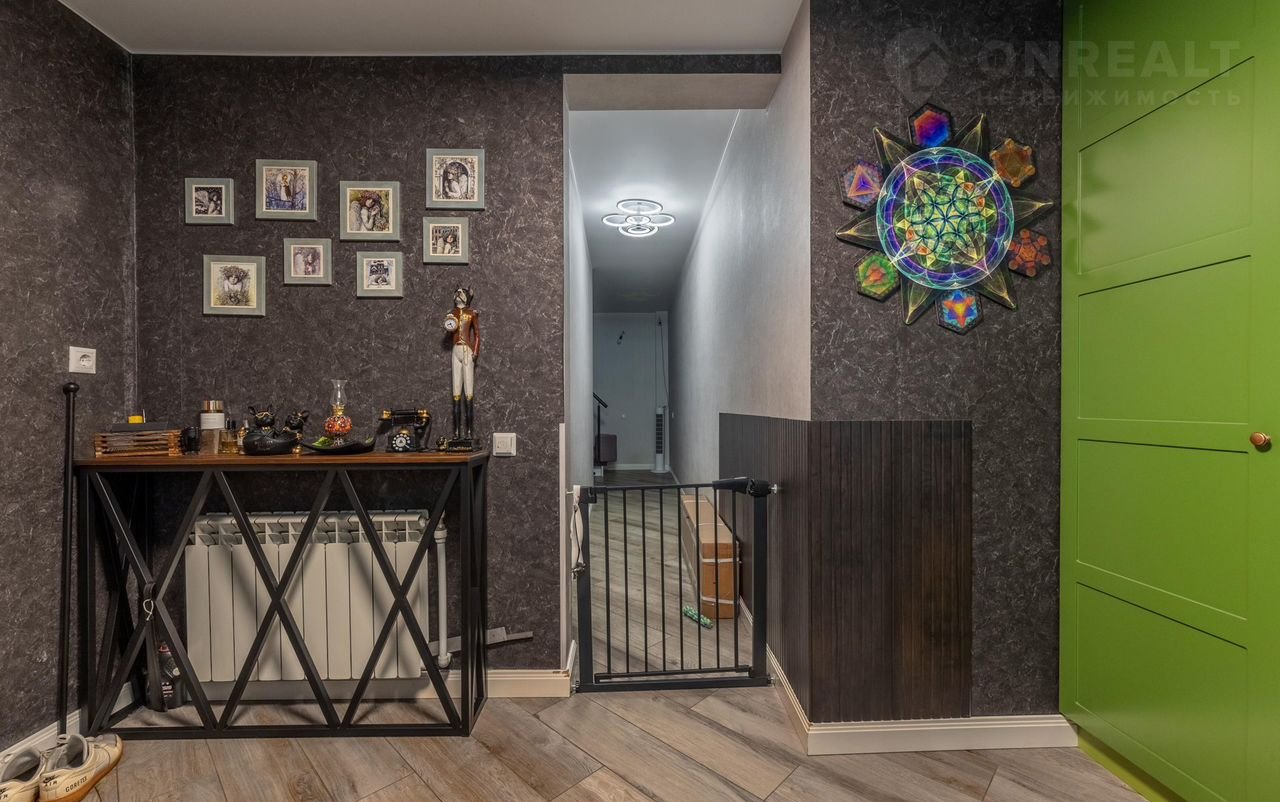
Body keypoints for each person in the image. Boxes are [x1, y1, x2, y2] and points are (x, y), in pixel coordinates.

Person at [442, 287, 480, 443]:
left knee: (468, 390)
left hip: (467, 351)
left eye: (462, 293)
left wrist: (475, 352)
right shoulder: (452, 314)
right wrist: (448, 324)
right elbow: (450, 330)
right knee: (456, 390)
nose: (459, 295)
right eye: (457, 293)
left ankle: (469, 432)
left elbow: (477, 335)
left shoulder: (472, 314)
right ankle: (457, 433)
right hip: (455, 351)